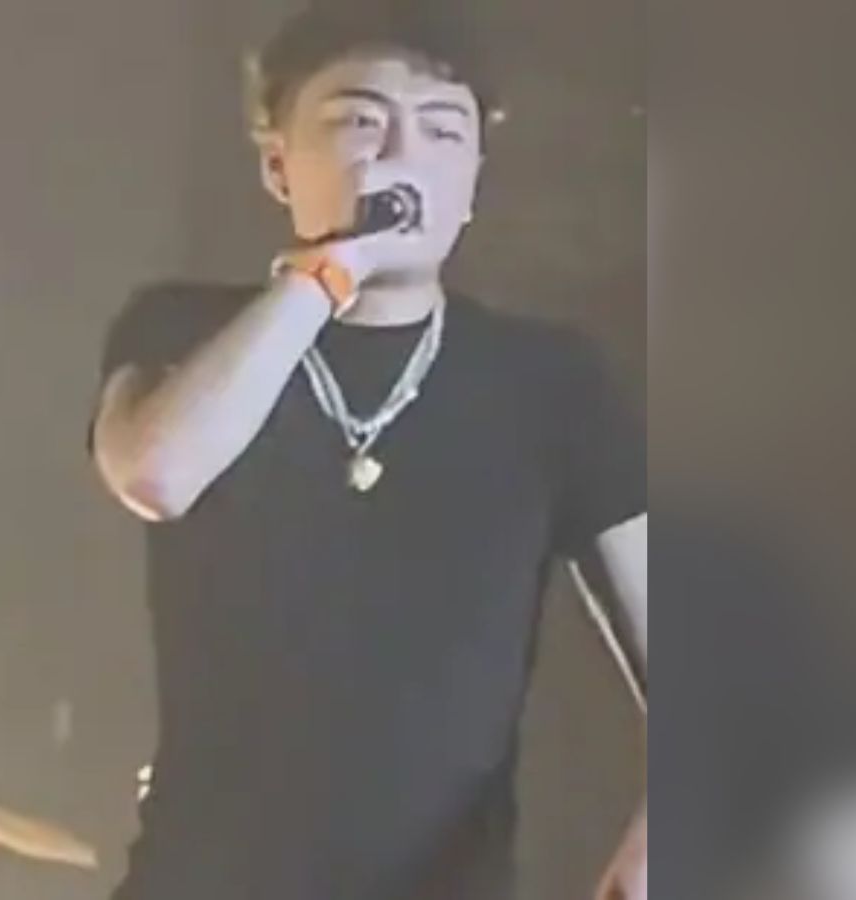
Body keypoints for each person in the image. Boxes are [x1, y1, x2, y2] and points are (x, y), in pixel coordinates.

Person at [89, 10, 647, 899]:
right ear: (278, 165)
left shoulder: (549, 381)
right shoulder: (183, 326)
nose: (400, 156)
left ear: (474, 176)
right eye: (358, 120)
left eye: (443, 130)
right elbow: (157, 472)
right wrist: (330, 268)